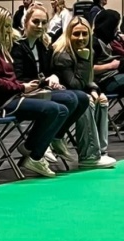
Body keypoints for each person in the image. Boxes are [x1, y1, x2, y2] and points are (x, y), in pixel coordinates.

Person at [0, 5, 69, 177]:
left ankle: (31, 148)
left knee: (62, 109)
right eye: (6, 26)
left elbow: (5, 78)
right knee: (53, 109)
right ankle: (35, 155)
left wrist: (27, 86)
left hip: (11, 97)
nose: (9, 30)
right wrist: (22, 87)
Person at [11, 4, 88, 164]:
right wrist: (45, 81)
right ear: (25, 22)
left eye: (44, 22)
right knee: (69, 99)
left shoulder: (44, 46)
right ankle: (34, 147)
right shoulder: (17, 47)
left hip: (41, 90)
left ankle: (56, 136)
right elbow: (18, 78)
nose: (40, 26)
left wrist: (54, 77)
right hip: (24, 93)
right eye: (36, 22)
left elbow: (51, 71)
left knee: (82, 98)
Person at [52, 16, 117, 168]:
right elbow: (74, 84)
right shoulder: (63, 55)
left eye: (84, 34)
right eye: (76, 34)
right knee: (86, 101)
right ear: (69, 34)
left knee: (102, 100)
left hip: (76, 91)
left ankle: (101, 152)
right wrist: (83, 60)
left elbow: (88, 79)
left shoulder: (88, 50)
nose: (81, 38)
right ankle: (88, 155)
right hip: (62, 95)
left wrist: (95, 89)